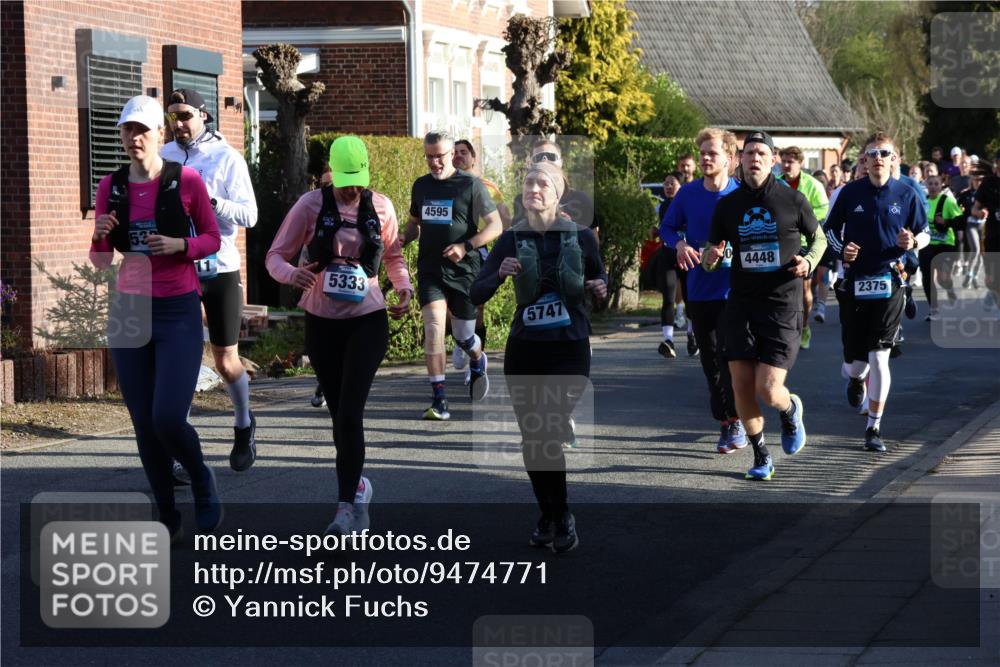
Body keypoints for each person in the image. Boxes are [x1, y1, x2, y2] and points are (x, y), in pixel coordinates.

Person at [265, 136, 413, 535]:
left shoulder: (380, 206)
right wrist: (290, 274)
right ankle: (358, 483)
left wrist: (403, 288)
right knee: (338, 416)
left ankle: (345, 508)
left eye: (358, 179)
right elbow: (274, 256)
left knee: (350, 413)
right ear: (332, 173)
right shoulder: (309, 205)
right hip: (322, 320)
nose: (352, 188)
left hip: (368, 318)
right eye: (346, 180)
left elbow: (395, 256)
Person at [90, 95, 222, 539]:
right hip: (129, 310)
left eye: (142, 130)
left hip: (177, 307)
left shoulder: (185, 181)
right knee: (144, 423)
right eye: (128, 130)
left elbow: (211, 239)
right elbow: (99, 262)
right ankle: (165, 512)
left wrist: (181, 246)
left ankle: (201, 478)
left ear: (160, 135)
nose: (134, 138)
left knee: (168, 416)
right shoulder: (111, 186)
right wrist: (100, 236)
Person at [471, 160, 607, 553]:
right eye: (529, 181)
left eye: (542, 182)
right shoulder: (512, 238)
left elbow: (601, 282)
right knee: (534, 438)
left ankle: (562, 513)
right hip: (525, 348)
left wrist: (599, 287)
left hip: (569, 346)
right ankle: (547, 513)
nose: (534, 187)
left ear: (558, 192)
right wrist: (499, 274)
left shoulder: (581, 236)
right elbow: (477, 292)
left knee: (546, 429)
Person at [703, 130, 826, 480]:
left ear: (773, 161)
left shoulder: (794, 200)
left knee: (769, 389)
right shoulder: (727, 206)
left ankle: (789, 410)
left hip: (782, 304)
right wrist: (710, 258)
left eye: (761, 153)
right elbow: (711, 256)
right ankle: (760, 454)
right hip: (741, 304)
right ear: (739, 160)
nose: (754, 158)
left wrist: (808, 262)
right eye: (749, 153)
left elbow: (818, 240)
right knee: (741, 385)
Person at [161, 88, 259, 483]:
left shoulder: (227, 157)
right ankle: (181, 453)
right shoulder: (164, 156)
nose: (178, 124)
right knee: (180, 359)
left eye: (184, 115)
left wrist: (212, 202)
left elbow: (250, 216)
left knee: (224, 360)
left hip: (219, 268)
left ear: (204, 114)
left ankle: (243, 424)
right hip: (177, 268)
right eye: (172, 117)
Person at [824, 132, 928, 452]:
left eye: (885, 153)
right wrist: (844, 251)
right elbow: (828, 230)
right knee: (857, 364)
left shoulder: (908, 193)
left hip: (890, 280)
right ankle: (855, 379)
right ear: (864, 161)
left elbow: (925, 234)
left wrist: (913, 243)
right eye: (873, 153)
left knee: (880, 354)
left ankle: (873, 427)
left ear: (894, 159)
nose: (879, 158)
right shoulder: (849, 192)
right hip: (855, 282)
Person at [402, 132, 503, 420]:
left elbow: (495, 226)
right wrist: (402, 237)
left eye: (440, 156)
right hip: (431, 270)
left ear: (452, 156)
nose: (434, 162)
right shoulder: (421, 186)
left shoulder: (471, 185)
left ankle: (477, 359)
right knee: (433, 329)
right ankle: (439, 401)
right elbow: (415, 224)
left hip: (464, 270)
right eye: (429, 156)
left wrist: (466, 245)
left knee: (463, 336)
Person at [661, 128, 745, 453]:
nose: (706, 158)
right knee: (710, 361)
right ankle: (725, 422)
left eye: (712, 153)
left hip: (734, 292)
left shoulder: (741, 195)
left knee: (730, 359)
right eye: (703, 153)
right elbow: (667, 227)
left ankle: (735, 421)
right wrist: (680, 243)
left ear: (729, 158)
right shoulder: (688, 194)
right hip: (698, 289)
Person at [453, 139, 512, 356]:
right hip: (448, 250)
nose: (458, 155)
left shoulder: (488, 187)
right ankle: (462, 339)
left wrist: (504, 249)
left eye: (464, 152)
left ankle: (478, 354)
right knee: (449, 304)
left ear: (473, 158)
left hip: (477, 249)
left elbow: (505, 221)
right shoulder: (441, 184)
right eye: (455, 152)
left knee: (477, 304)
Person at [778, 146, 829, 349]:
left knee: (805, 288)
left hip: (805, 243)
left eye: (791, 161)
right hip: (781, 242)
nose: (787, 165)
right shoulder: (776, 183)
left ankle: (804, 326)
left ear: (800, 163)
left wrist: (801, 217)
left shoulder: (812, 184)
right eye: (784, 161)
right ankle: (784, 327)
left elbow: (824, 208)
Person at [512, 140, 599, 237]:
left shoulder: (581, 199)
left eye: (551, 157)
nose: (545, 161)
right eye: (538, 158)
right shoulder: (524, 199)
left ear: (561, 161)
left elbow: (593, 241)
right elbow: (514, 238)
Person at [921, 173, 963, 320]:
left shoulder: (947, 201)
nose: (932, 187)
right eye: (930, 184)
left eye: (936, 184)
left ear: (941, 186)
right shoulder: (923, 202)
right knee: (927, 275)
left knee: (943, 278)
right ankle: (934, 309)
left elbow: (961, 221)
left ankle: (950, 289)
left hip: (946, 244)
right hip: (927, 244)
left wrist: (945, 222)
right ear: (926, 185)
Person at [973, 152, 1000, 314]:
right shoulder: (988, 183)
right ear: (997, 163)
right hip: (992, 236)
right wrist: (980, 212)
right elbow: (974, 208)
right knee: (993, 278)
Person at [960, 174, 986, 288]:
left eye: (981, 180)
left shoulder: (989, 193)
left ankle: (974, 276)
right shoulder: (966, 193)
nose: (979, 182)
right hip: (971, 225)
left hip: (984, 226)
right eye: (976, 179)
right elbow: (957, 206)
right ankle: (968, 274)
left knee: (981, 254)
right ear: (972, 180)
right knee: (975, 249)